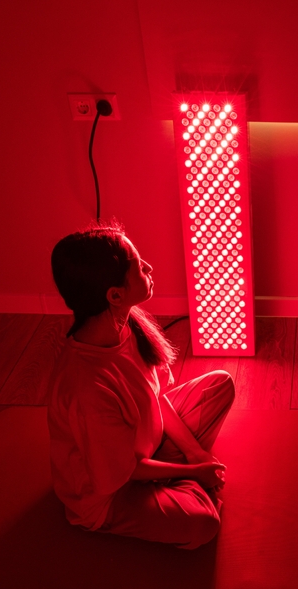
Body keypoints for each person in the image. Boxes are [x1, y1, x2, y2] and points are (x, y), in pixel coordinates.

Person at [47, 222, 232, 549]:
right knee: (202, 525)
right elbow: (120, 473)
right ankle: (180, 487)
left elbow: (158, 396)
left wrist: (195, 453)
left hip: (147, 444)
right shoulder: (88, 386)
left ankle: (176, 480)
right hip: (112, 492)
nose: (148, 268)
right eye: (138, 265)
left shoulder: (126, 322)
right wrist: (193, 472)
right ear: (114, 294)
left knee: (220, 385)